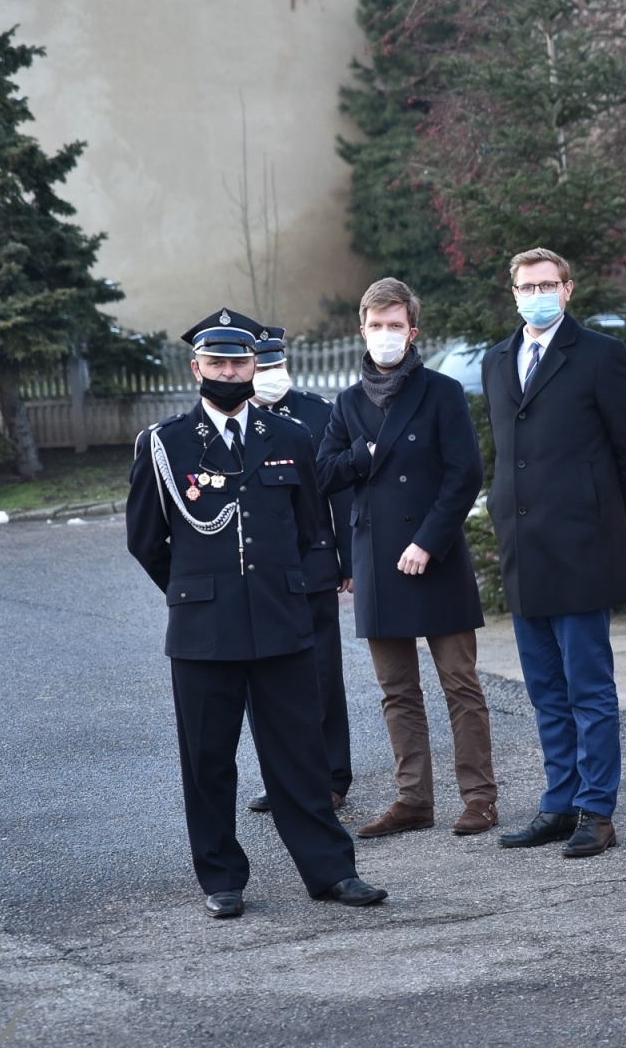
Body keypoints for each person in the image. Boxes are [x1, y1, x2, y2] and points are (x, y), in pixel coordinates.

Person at [126, 307, 386, 918]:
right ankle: (222, 878)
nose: (229, 371)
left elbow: (305, 529)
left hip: (280, 621)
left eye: (239, 361)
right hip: (202, 629)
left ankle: (330, 872)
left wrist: (281, 588)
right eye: (216, 362)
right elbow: (145, 539)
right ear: (196, 368)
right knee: (209, 760)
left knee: (300, 755)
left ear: (255, 366)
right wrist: (195, 588)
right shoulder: (164, 444)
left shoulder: (290, 437)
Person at [481, 248, 626, 858]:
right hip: (523, 549)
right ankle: (559, 802)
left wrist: (602, 514)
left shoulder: (602, 357)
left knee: (588, 689)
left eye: (548, 283)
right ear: (513, 292)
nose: (537, 293)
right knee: (544, 689)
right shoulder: (497, 359)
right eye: (526, 285)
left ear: (568, 289)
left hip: (583, 546)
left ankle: (597, 810)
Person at [319, 279, 499, 839]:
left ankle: (480, 799)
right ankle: (413, 799)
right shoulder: (347, 403)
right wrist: (359, 453)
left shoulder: (442, 392)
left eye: (396, 325)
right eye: (376, 325)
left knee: (460, 685)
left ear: (412, 331)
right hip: (377, 560)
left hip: (434, 555)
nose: (386, 335)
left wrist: (428, 541)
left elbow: (465, 474)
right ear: (362, 330)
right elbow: (323, 473)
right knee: (397, 691)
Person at [244, 328, 355, 815]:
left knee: (321, 672)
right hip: (256, 575)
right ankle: (282, 777)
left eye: (273, 365)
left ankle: (331, 774)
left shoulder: (317, 413)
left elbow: (341, 493)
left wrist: (348, 560)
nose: (267, 376)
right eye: (259, 367)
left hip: (312, 565)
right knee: (264, 679)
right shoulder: (232, 419)